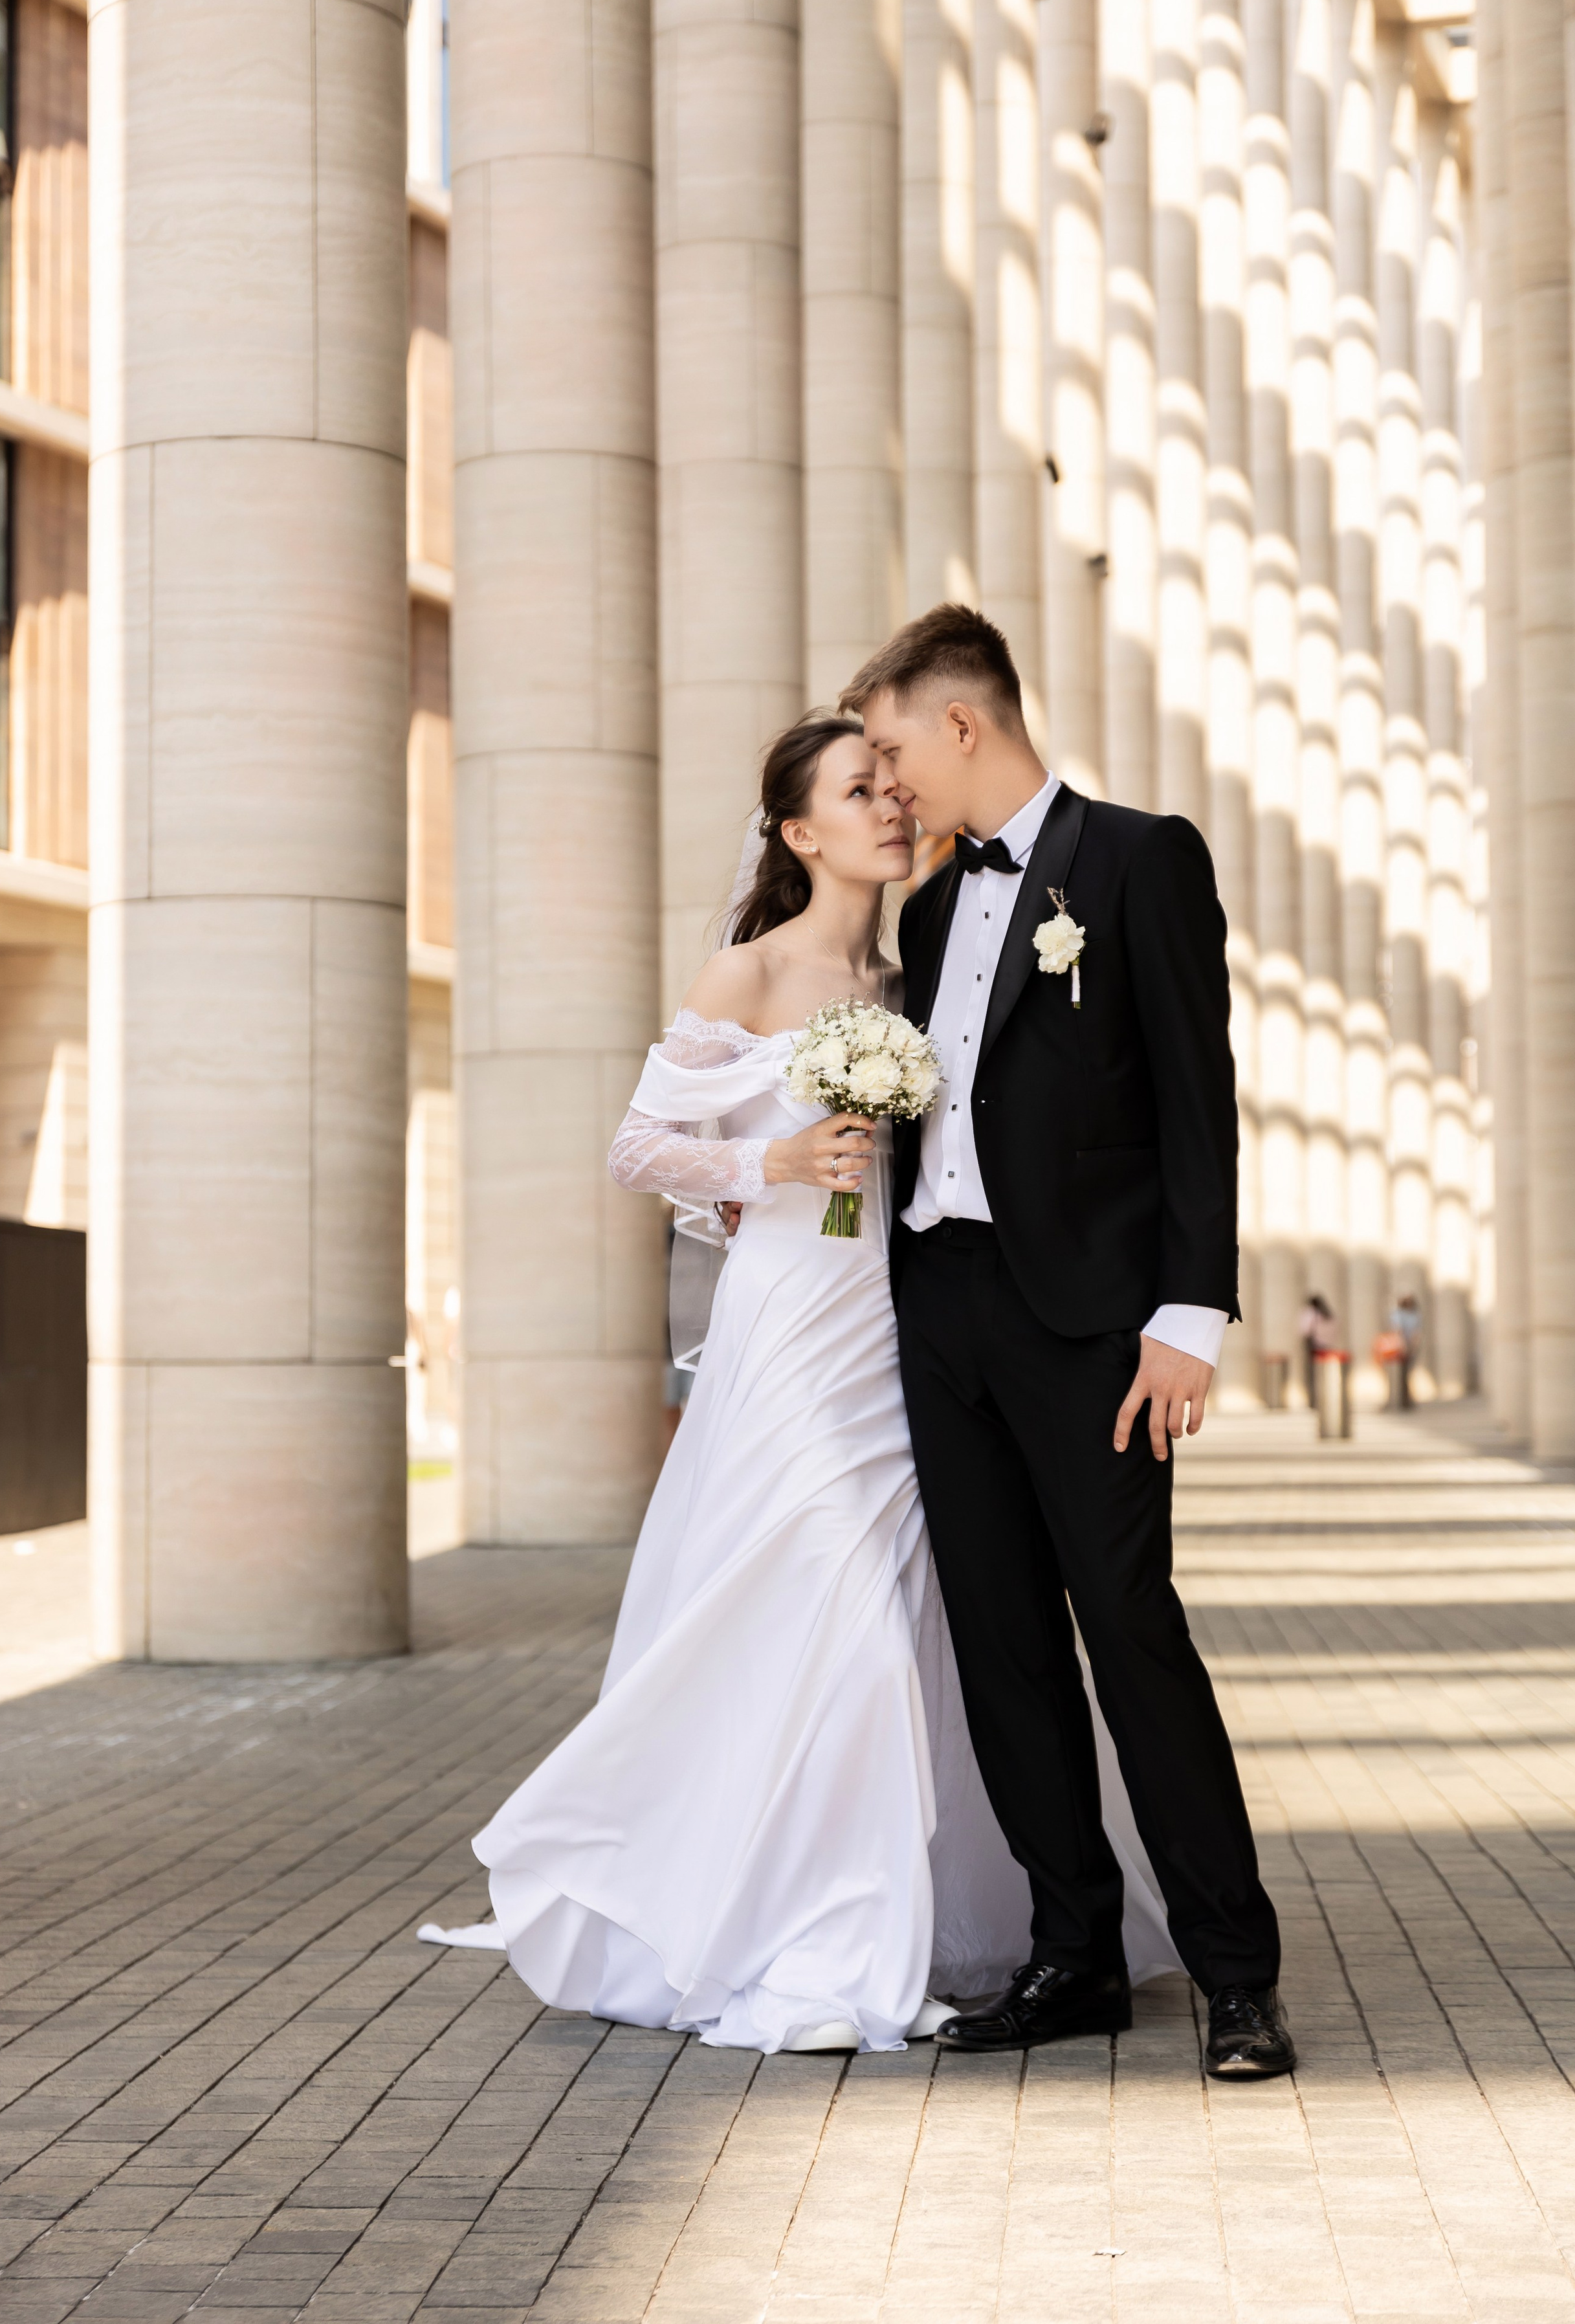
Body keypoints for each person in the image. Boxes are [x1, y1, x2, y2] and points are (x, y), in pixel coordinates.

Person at [419, 713, 1178, 2054]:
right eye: (858, 790)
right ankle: (821, 1937)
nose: (891, 807)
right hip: (787, 1330)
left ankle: (905, 1910)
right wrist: (767, 1167)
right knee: (844, 1607)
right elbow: (637, 1145)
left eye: (895, 788)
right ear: (797, 831)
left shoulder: (913, 978)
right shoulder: (747, 973)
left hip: (901, 1340)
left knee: (911, 1619)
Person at [845, 602, 1295, 2079]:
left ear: (961, 722)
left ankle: (1236, 1977)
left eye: (895, 743)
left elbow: (1194, 1102)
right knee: (1001, 1646)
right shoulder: (922, 909)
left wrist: (1188, 1319)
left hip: (1093, 1329)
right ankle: (1072, 1955)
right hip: (943, 1310)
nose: (888, 776)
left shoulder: (1136, 858)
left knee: (1130, 1635)